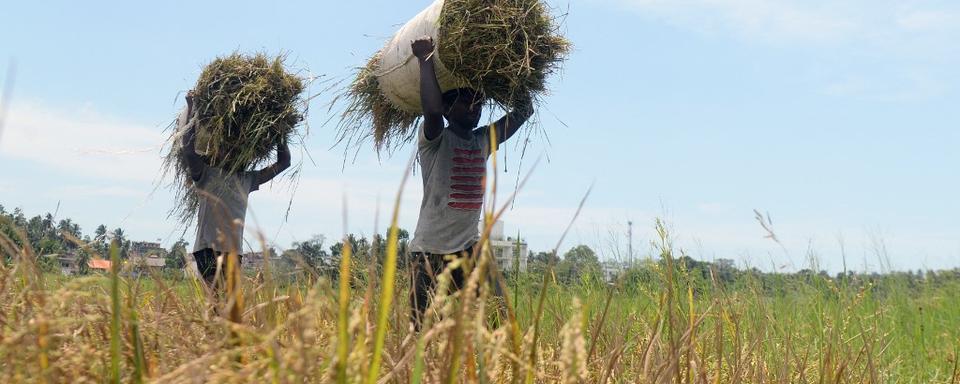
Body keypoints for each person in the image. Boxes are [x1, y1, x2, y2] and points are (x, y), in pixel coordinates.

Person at [407, 36, 533, 329]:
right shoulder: (435, 140)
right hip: (429, 252)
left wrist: (518, 65)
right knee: (422, 330)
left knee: (499, 313)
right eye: (467, 102)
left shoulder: (482, 141)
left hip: (468, 249)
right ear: (449, 109)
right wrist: (425, 59)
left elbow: (524, 112)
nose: (475, 108)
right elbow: (433, 112)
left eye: (480, 103)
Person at [179, 90, 291, 291]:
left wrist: (280, 131)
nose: (229, 152)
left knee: (228, 306)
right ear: (215, 151)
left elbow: (284, 162)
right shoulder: (206, 174)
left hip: (233, 252)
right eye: (224, 148)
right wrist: (192, 109)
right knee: (217, 302)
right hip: (208, 249)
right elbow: (188, 149)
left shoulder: (246, 179)